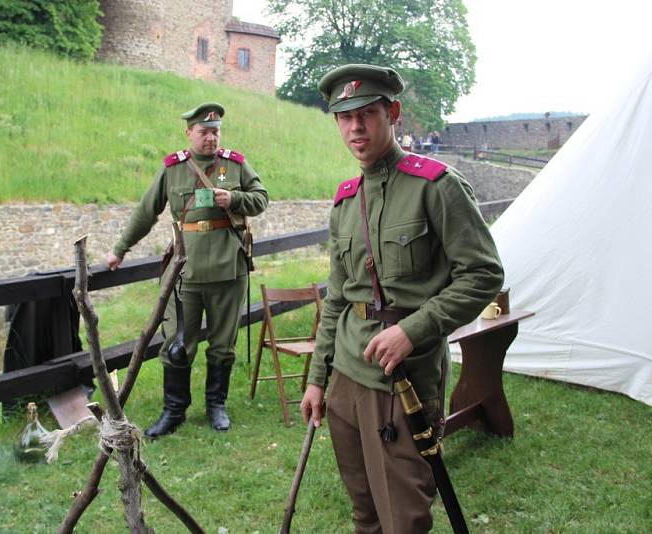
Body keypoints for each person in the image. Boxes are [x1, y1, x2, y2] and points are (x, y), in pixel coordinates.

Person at [300, 64, 504, 532]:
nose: (355, 127)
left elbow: (483, 274)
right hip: (346, 382)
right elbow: (337, 298)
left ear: (392, 113)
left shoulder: (436, 186)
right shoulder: (346, 200)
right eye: (344, 116)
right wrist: (317, 379)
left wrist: (412, 331)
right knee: (365, 514)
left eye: (367, 113)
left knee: (404, 519)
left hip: (403, 383)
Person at [107, 102, 268, 438]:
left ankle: (216, 406)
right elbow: (145, 212)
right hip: (185, 273)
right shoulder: (173, 169)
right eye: (204, 132)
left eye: (215, 131)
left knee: (223, 345)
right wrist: (120, 249)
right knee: (177, 344)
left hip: (228, 269)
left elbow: (261, 198)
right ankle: (174, 411)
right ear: (189, 133)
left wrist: (234, 199)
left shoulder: (234, 164)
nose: (211, 138)